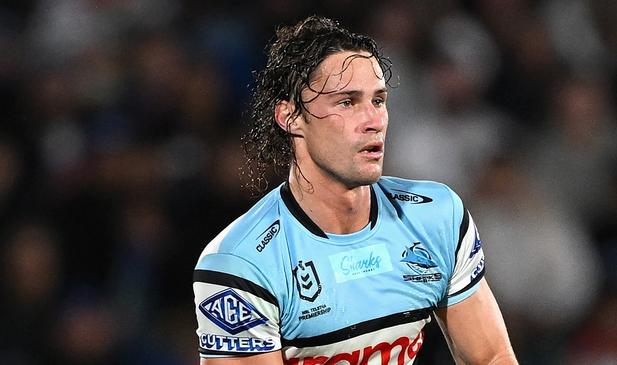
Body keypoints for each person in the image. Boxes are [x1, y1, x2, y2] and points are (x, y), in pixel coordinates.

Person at [193, 15, 517, 365]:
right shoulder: (241, 265)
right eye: (347, 102)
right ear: (290, 117)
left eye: (378, 101)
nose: (373, 121)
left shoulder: (436, 217)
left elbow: (492, 356)